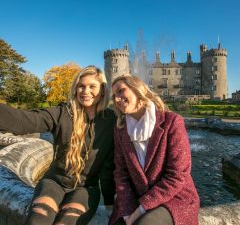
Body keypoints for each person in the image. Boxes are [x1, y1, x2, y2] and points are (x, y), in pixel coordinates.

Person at [0, 66, 116, 225]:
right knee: (38, 217)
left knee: (67, 222)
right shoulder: (63, 113)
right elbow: (24, 120)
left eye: (92, 86)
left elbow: (108, 168)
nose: (85, 91)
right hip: (53, 182)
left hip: (86, 189)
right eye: (81, 86)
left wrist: (110, 202)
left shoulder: (110, 121)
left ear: (102, 90)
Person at [109, 74, 200, 225]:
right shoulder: (121, 130)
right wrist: (126, 211)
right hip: (137, 196)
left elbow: (177, 175)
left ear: (137, 89)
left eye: (121, 91)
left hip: (174, 198)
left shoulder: (171, 122)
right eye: (114, 95)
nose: (117, 99)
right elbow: (121, 174)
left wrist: (139, 211)